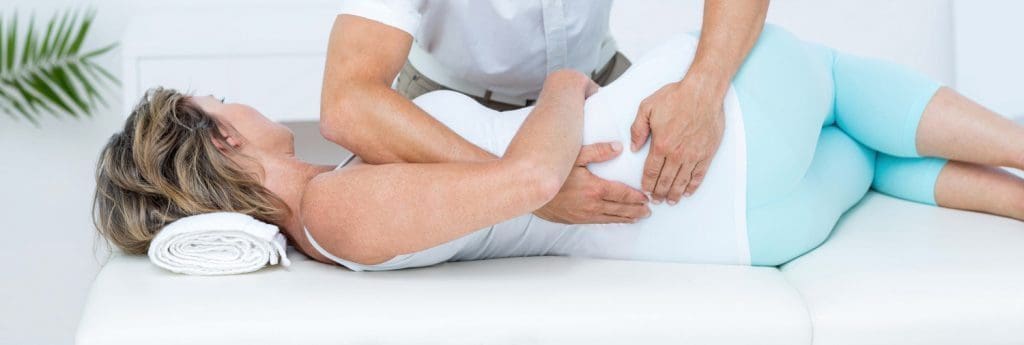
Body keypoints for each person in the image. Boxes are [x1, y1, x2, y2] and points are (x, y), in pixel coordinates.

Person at [93, 25, 1024, 271]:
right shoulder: (328, 209)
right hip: (695, 169)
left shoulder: (328, 208)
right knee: (827, 72)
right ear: (214, 139)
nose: (237, 100)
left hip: (739, 224)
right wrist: (570, 85)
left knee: (864, 152)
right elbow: (532, 176)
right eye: (218, 102)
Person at [320, 0, 770, 225]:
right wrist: (522, 187)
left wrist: (704, 88)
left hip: (596, 84)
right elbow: (347, 101)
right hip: (447, 105)